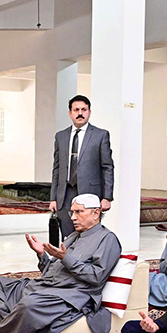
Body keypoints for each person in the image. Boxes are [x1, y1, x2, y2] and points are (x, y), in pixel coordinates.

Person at [0, 194, 121, 333]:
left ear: (96, 213)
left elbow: (96, 277)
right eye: (72, 213)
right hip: (46, 287)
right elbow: (50, 272)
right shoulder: (74, 236)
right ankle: (18, 326)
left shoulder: (107, 239)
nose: (73, 218)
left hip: (69, 295)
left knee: (29, 305)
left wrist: (66, 258)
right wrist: (42, 255)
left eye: (79, 212)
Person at [49, 95, 115, 237]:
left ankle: (85, 259)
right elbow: (57, 169)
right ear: (70, 113)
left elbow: (107, 167)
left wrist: (107, 197)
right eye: (76, 110)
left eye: (84, 109)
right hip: (65, 194)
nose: (80, 113)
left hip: (90, 193)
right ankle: (68, 258)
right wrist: (53, 198)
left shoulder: (100, 135)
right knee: (68, 234)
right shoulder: (61, 136)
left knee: (88, 234)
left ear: (89, 112)